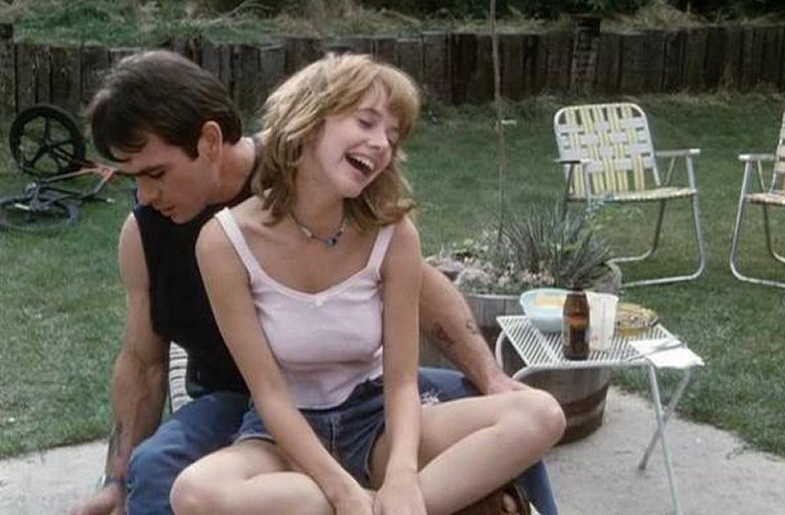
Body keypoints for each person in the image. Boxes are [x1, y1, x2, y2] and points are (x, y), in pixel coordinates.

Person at [70, 50, 564, 515]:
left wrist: (489, 375)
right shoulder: (167, 234)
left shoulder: (322, 176)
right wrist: (116, 477)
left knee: (516, 415)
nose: (144, 194)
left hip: (362, 393)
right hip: (244, 399)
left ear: (209, 142)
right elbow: (142, 362)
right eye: (132, 178)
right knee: (156, 472)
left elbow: (418, 293)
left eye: (156, 173)